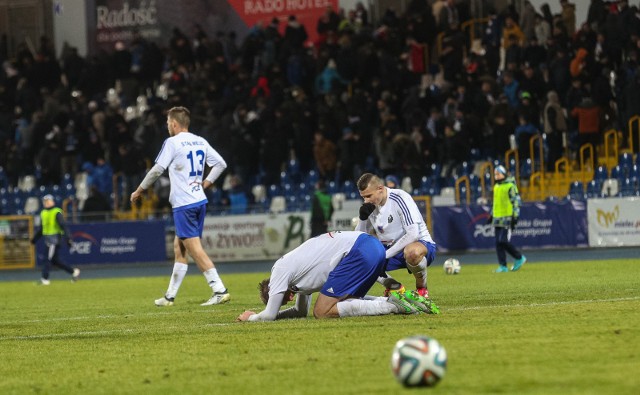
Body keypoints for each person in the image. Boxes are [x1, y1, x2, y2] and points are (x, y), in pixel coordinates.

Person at [130, 106, 230, 306]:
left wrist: (139, 190)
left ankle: (219, 289)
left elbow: (158, 169)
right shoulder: (200, 141)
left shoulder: (172, 142)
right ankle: (170, 296)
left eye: (168, 123)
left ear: (174, 123)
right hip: (199, 200)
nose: (167, 126)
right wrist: (206, 183)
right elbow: (220, 164)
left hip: (184, 204)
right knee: (180, 247)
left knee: (194, 249)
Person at [236, 231, 439, 322]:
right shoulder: (297, 279)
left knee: (322, 311)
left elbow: (269, 315)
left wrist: (251, 318)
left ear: (274, 288)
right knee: (345, 301)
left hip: (360, 250)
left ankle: (392, 306)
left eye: (282, 298)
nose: (288, 299)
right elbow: (299, 311)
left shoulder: (279, 270)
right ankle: (403, 300)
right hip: (368, 246)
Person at [356, 173, 437, 298]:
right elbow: (358, 240)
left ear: (380, 188)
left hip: (419, 243)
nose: (366, 200)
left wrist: (384, 255)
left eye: (368, 196)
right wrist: (362, 218)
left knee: (412, 253)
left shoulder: (399, 198)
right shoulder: (370, 206)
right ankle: (394, 286)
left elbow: (413, 234)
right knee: (359, 258)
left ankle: (422, 288)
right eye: (363, 197)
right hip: (389, 248)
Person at [31, 194, 80, 284]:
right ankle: (74, 272)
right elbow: (42, 228)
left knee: (47, 258)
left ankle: (45, 279)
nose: (46, 202)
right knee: (55, 261)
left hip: (54, 239)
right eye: (45, 201)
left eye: (48, 200)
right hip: (48, 239)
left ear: (53, 201)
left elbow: (63, 226)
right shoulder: (43, 213)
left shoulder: (56, 211)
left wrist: (68, 238)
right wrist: (34, 239)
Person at [487, 165, 526, 272]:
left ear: (503, 174)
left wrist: (515, 217)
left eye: (498, 173)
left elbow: (516, 202)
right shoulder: (496, 186)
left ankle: (519, 257)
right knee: (498, 243)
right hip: (497, 219)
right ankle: (503, 266)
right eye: (495, 174)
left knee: (503, 241)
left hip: (507, 219)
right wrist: (491, 215)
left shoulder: (510, 186)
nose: (496, 176)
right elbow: (495, 203)